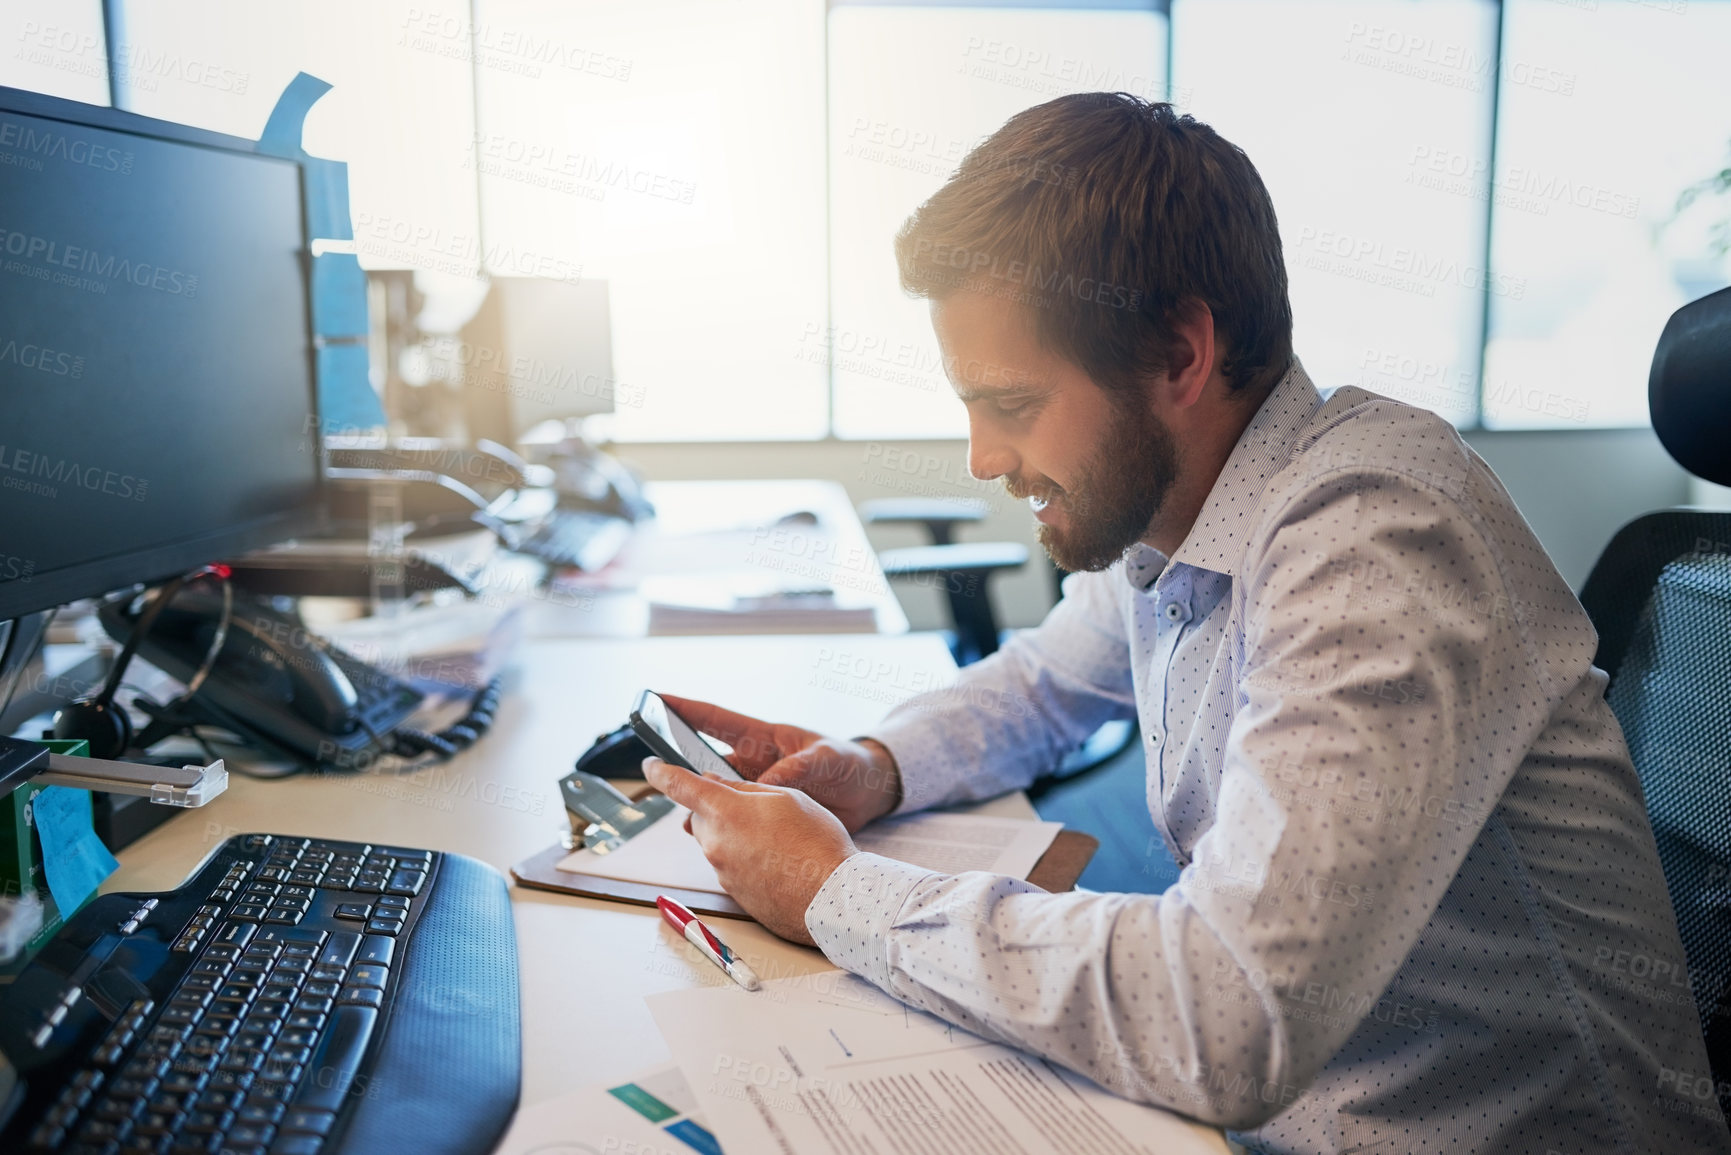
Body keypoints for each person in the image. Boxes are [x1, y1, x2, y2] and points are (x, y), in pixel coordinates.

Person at [642, 93, 1731, 1153]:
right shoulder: (1182, 512)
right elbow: (1043, 684)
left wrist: (833, 889)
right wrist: (868, 766)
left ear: (1178, 355)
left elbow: (1229, 1012)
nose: (981, 459)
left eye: (1012, 406)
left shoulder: (1373, 532)